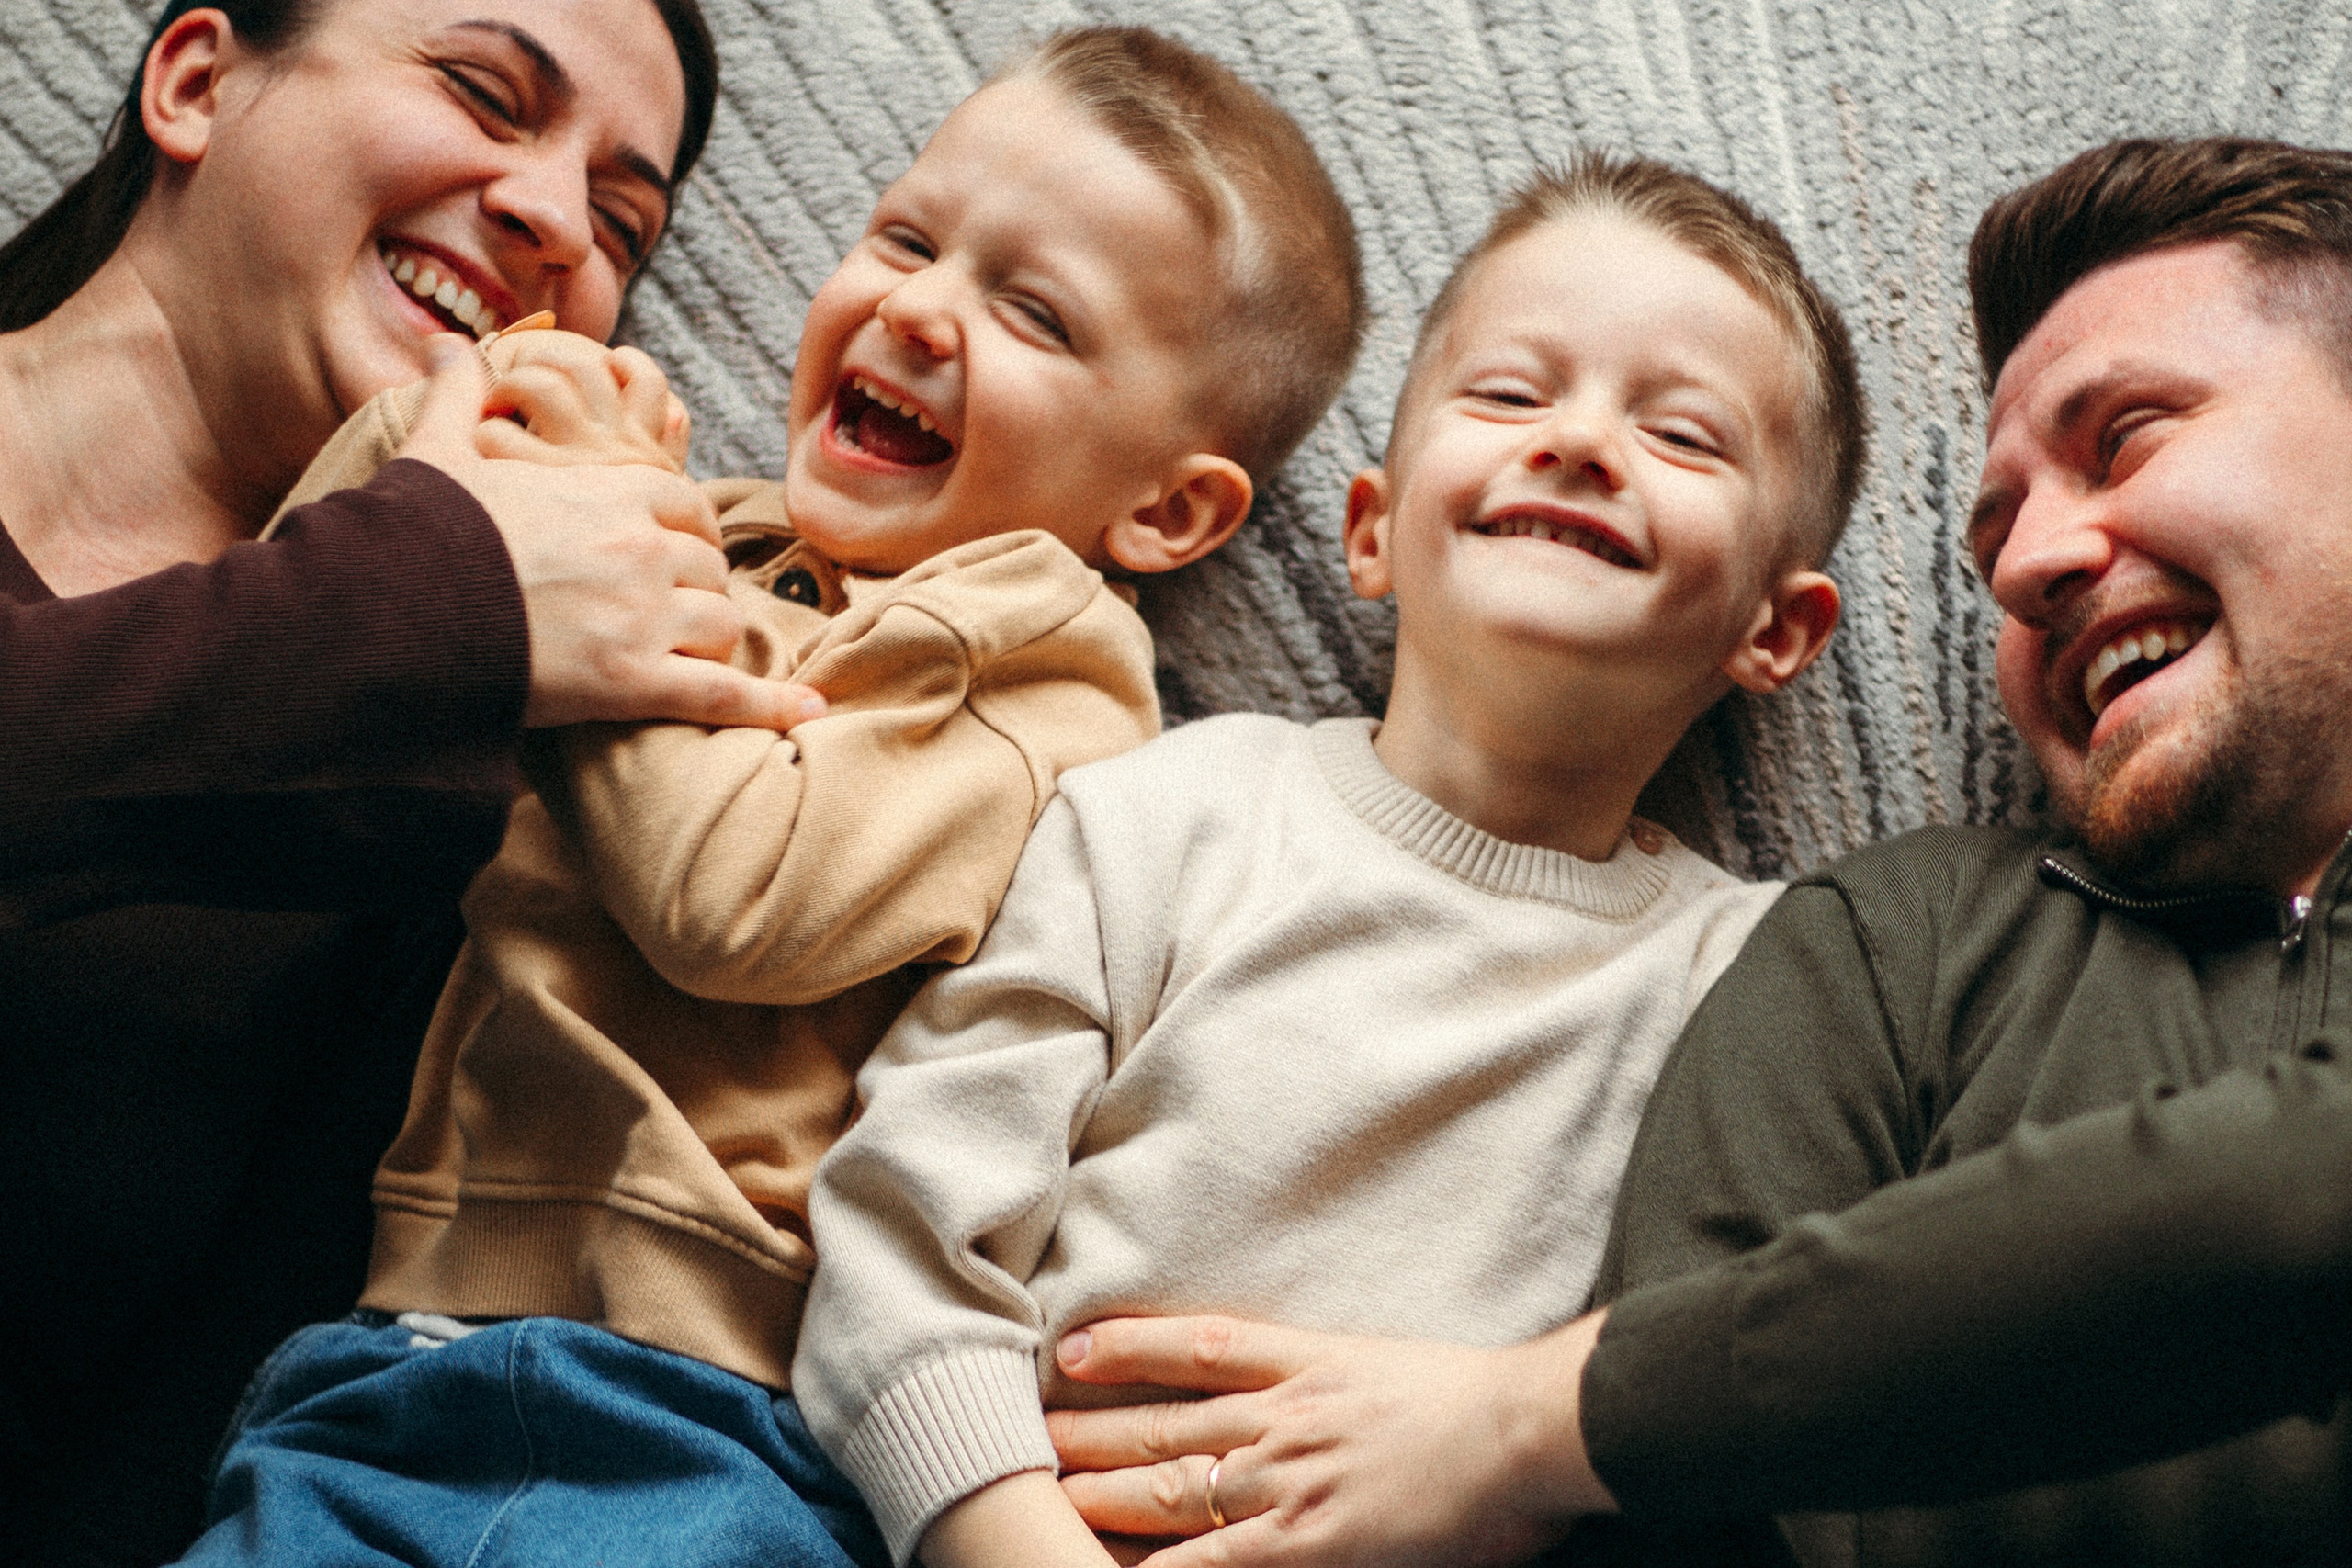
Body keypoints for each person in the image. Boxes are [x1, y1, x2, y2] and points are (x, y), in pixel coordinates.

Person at [1030, 136, 2352, 1568]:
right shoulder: (1898, 947)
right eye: (1993, 540)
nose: (2028, 566)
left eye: (2130, 437)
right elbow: (1690, 1520)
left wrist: (1512, 1423)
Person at [175, 28, 1366, 1568]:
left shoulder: (1045, 673)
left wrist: (588, 547)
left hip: (698, 1412)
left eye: (1033, 313)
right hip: (389, 1342)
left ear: (1167, 507)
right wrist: (453, 449)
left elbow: (736, 901)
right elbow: (305, 634)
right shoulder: (693, 529)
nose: (922, 308)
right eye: (906, 239)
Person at [789, 152, 1860, 1568]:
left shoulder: (1755, 978)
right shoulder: (1167, 817)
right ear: (1372, 531)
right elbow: (898, 1240)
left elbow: (1777, 1353)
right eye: (1512, 393)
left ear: (1777, 632)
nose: (1583, 441)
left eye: (1684, 435)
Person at [0, 0, 820, 1561]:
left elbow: (203, 1430)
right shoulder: (433, 642)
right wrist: (443, 602)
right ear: (195, 80)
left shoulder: (460, 837)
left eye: (623, 221)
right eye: (483, 91)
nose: (556, 220)